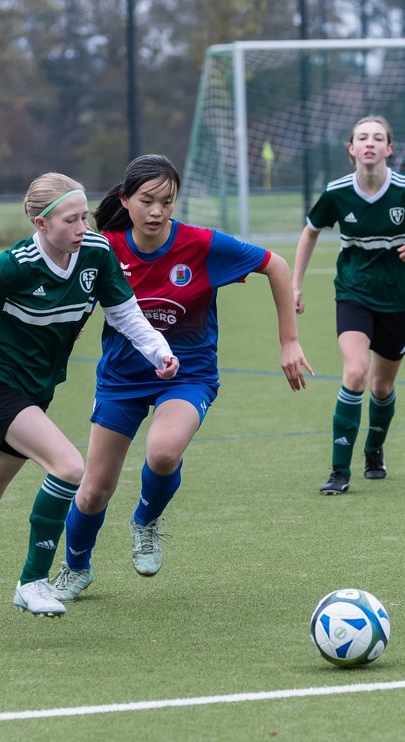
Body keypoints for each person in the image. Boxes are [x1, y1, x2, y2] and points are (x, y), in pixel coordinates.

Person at [0, 172, 179, 624]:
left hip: (36, 394)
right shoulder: (17, 263)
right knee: (70, 467)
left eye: (85, 217)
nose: (83, 228)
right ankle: (32, 581)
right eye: (71, 220)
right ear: (41, 224)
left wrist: (158, 350)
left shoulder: (95, 253)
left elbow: (125, 313)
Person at [50, 154, 312, 602]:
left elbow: (277, 266)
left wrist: (289, 340)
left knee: (165, 450)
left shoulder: (201, 245)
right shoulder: (104, 248)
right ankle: (76, 568)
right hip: (121, 378)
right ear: (126, 200)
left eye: (167, 201)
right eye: (147, 200)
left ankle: (146, 522)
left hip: (187, 375)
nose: (157, 211)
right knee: (93, 490)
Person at [292, 115, 405, 495]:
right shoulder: (337, 192)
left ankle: (374, 449)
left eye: (377, 138)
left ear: (389, 148)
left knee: (382, 386)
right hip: (353, 295)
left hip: (399, 301)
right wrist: (296, 284)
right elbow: (310, 232)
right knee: (354, 372)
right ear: (351, 149)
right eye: (362, 138)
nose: (369, 143)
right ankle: (339, 471)